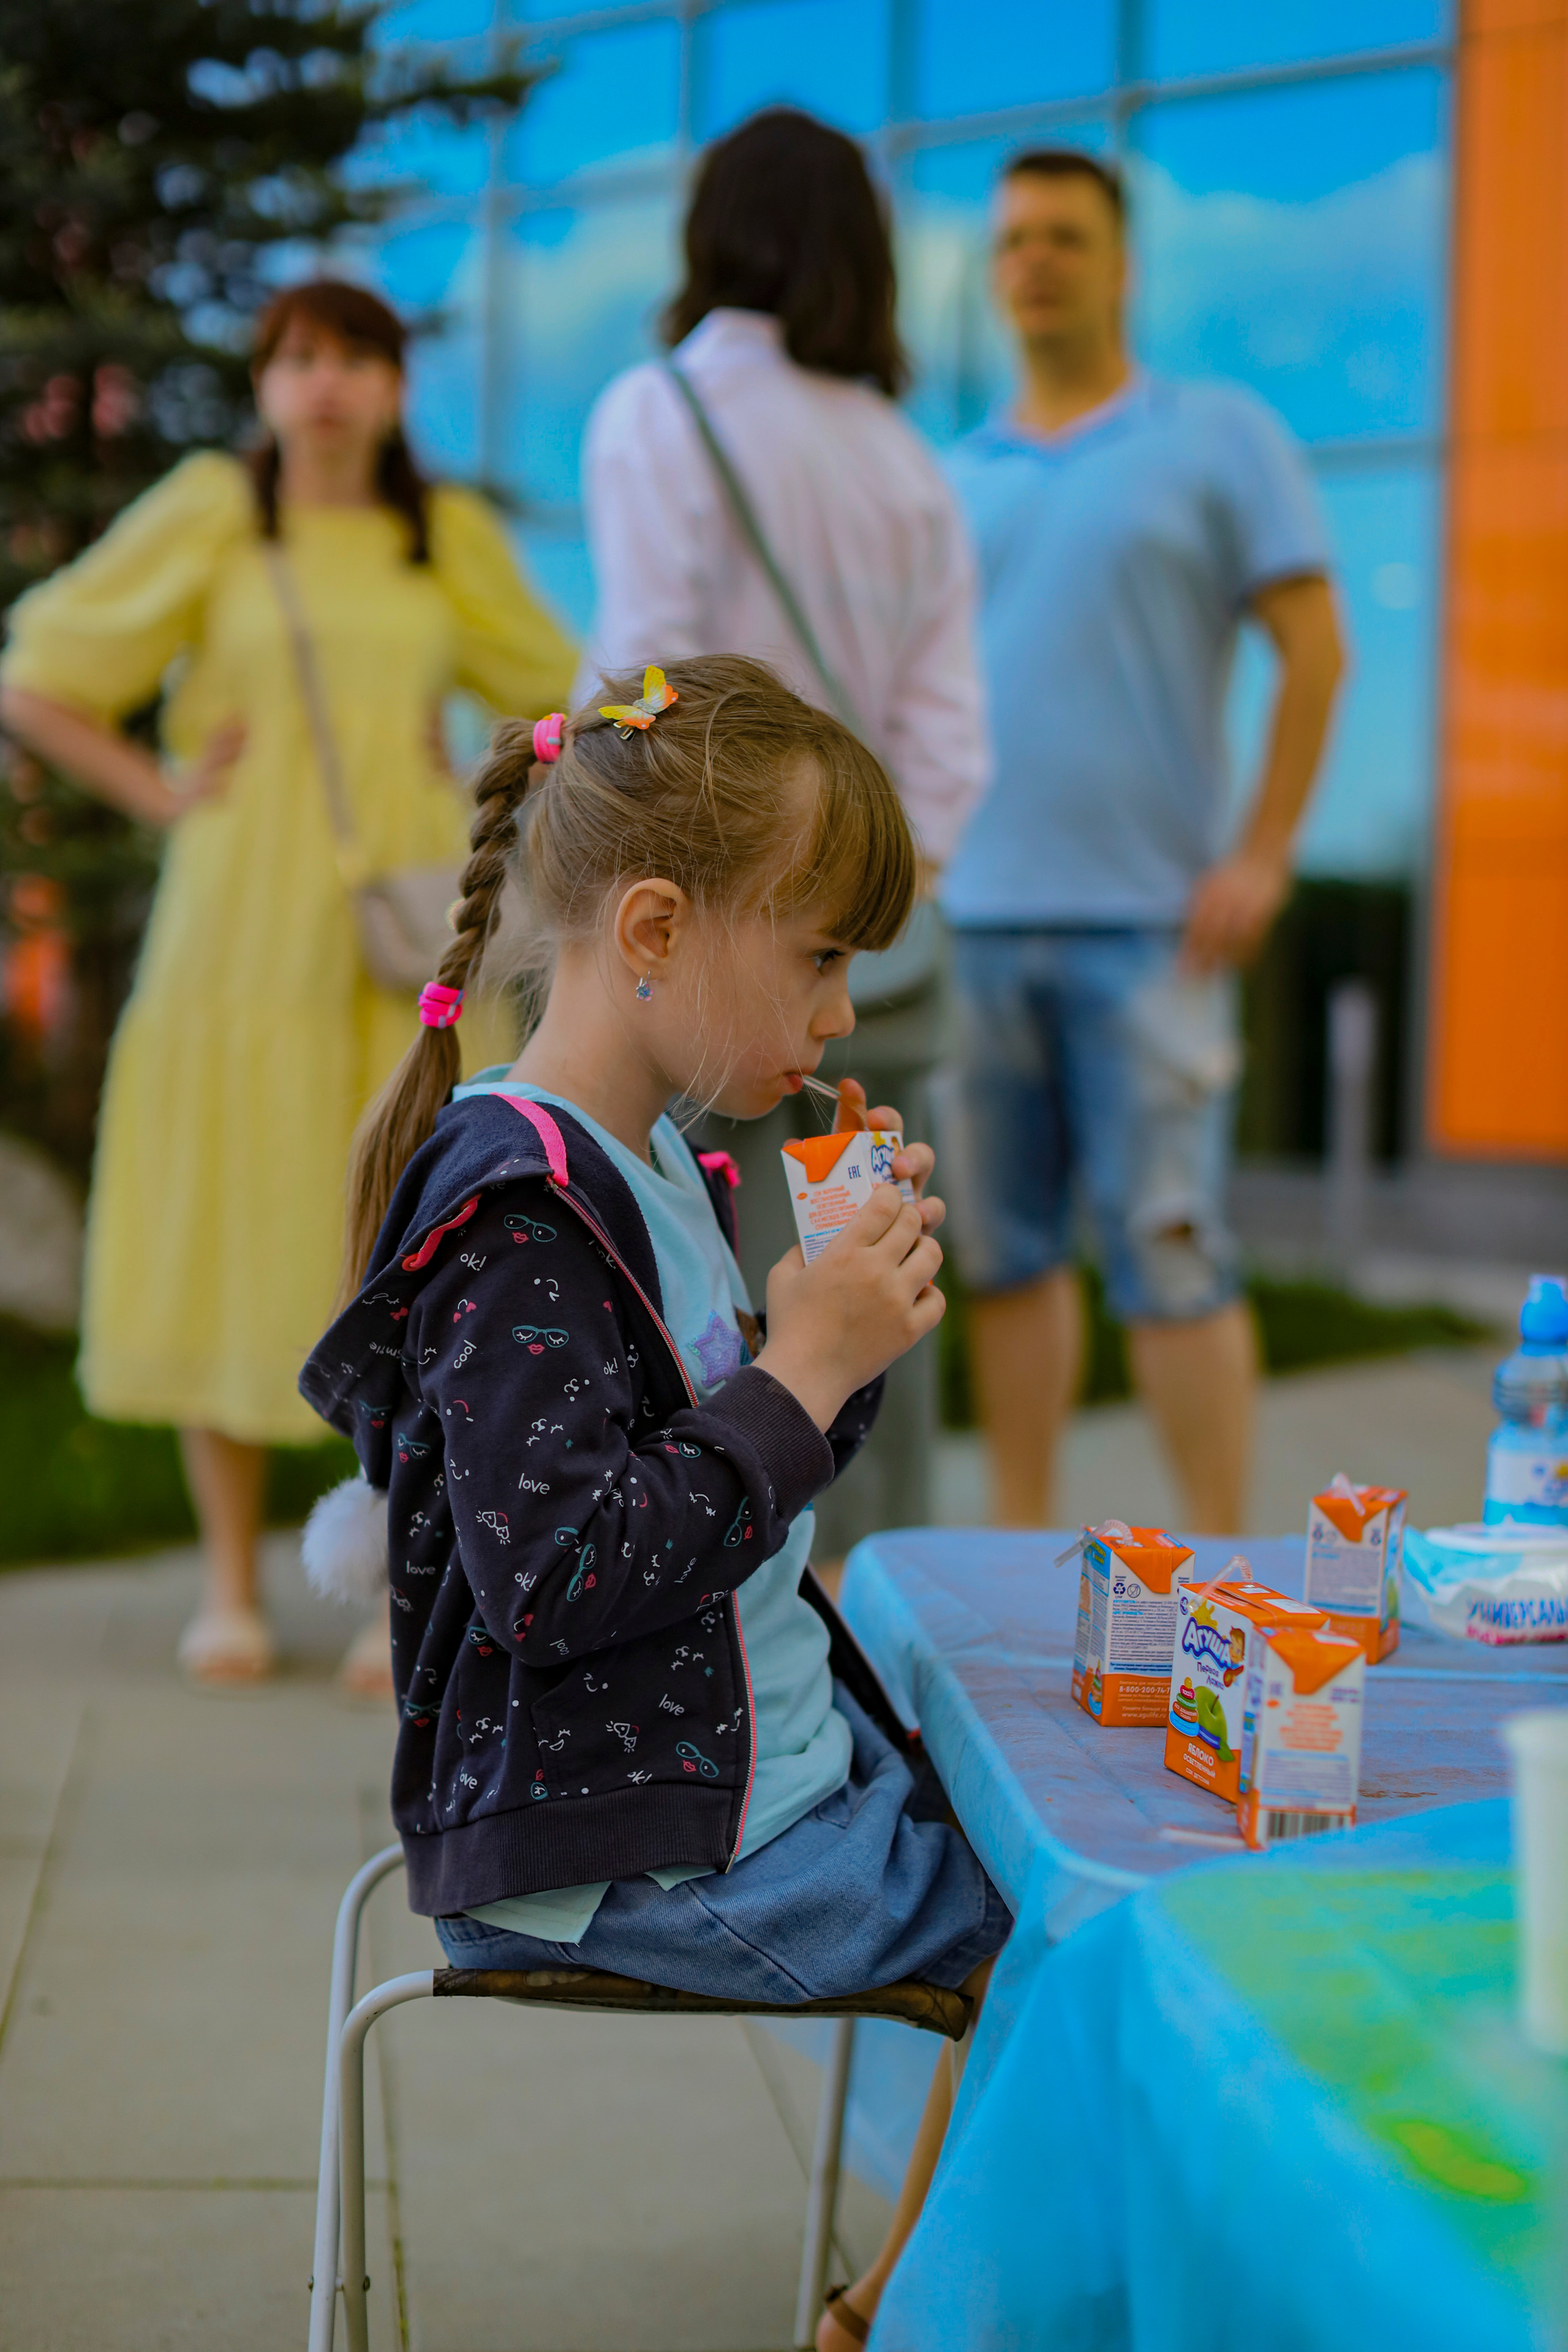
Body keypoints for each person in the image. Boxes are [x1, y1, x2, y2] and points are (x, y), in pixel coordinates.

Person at [299, 657, 1010, 2352]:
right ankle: (901, 2315)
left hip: (699, 1783)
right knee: (1058, 1937)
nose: (840, 1014)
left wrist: (836, 1335)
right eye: (821, 954)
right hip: (617, 1840)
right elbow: (562, 1577)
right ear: (654, 929)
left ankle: (895, 2297)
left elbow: (732, 1491)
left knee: (1029, 1803)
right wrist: (803, 1371)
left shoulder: (655, 1170)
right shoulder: (520, 1217)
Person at [0, 279, 576, 1686]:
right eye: (299, 357)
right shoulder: (210, 511)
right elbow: (39, 673)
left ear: (393, 387)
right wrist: (161, 790)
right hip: (237, 930)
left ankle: (394, 1576)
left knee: (402, 1233)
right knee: (228, 1211)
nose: (325, 384)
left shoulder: (442, 536)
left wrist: (489, 766)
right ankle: (227, 1584)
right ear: (266, 384)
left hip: (403, 932)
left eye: (355, 359)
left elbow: (571, 697)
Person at [576, 107, 987, 1562]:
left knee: (680, 1306)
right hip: (886, 944)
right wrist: (863, 907)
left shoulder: (659, 413)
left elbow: (646, 684)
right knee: (870, 1294)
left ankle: (722, 1640)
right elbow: (948, 730)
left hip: (697, 933)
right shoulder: (904, 461)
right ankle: (870, 1635)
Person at [941, 149, 1347, 1534]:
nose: (1033, 260)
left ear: (1121, 265)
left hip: (1150, 927)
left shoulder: (1218, 437)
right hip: (973, 927)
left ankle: (1231, 1568)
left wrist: (1265, 853)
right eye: (1011, 241)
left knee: (1172, 1260)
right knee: (1000, 1263)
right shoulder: (957, 478)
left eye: (1063, 236)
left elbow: (1313, 653)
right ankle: (1015, 1559)